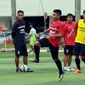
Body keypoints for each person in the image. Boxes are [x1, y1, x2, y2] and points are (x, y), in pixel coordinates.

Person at [34, 9, 64, 81]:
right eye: (52, 14)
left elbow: (61, 34)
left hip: (54, 43)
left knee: (55, 58)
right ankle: (37, 59)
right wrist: (43, 32)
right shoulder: (52, 21)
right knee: (36, 43)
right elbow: (50, 29)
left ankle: (61, 71)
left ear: (58, 16)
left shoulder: (60, 24)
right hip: (49, 40)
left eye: (54, 15)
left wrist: (51, 36)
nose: (53, 16)